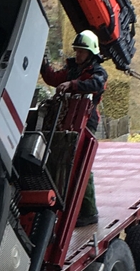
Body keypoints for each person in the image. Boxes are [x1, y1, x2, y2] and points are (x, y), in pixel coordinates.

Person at [42, 30, 108, 224]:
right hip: (70, 118)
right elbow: (54, 79)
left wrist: (72, 84)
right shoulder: (73, 69)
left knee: (80, 164)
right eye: (77, 50)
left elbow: (95, 85)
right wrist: (43, 66)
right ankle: (72, 208)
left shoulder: (98, 73)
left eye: (82, 51)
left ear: (91, 53)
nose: (77, 54)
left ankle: (88, 212)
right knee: (66, 161)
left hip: (87, 120)